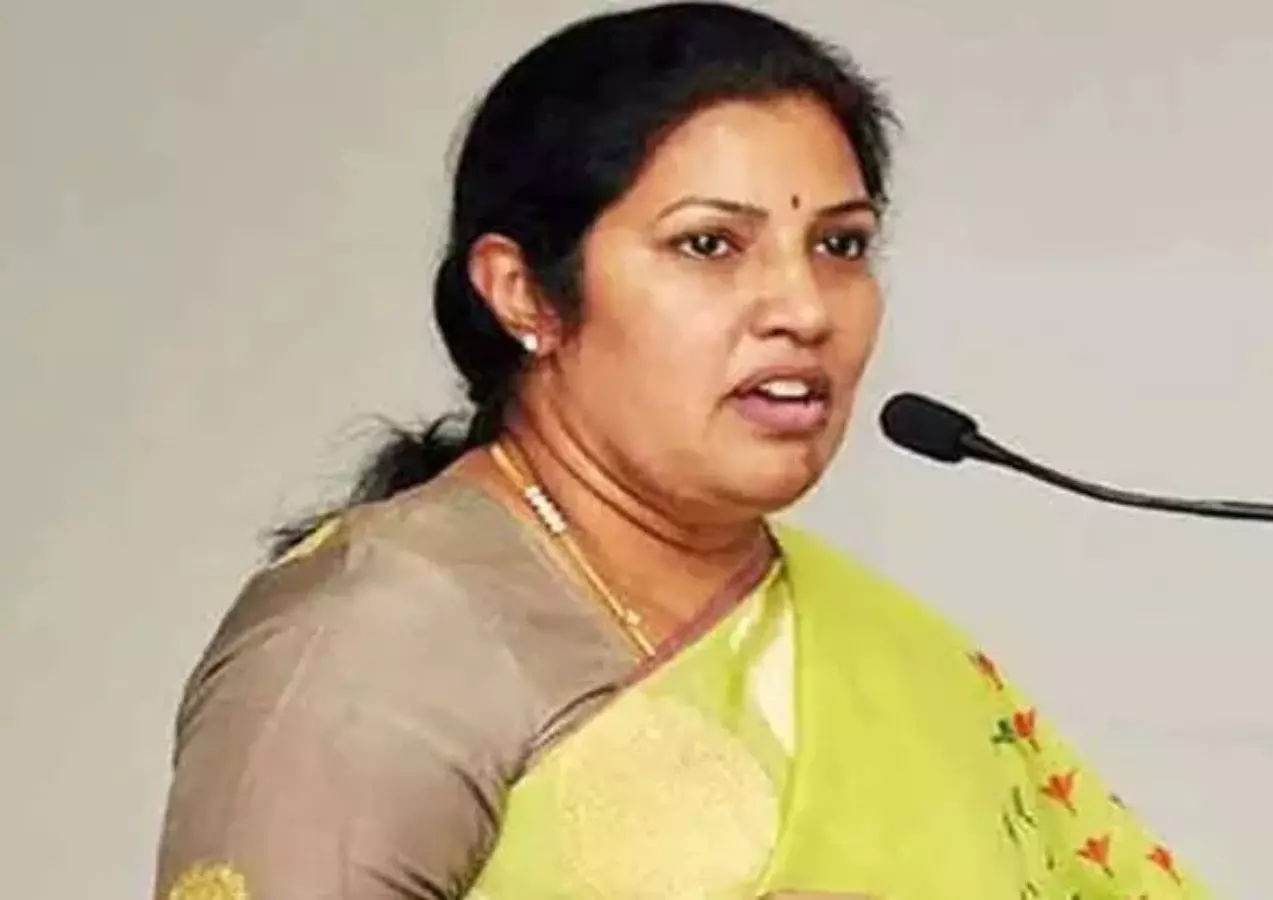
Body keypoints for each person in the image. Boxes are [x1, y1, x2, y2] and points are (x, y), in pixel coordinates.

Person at [153, 3, 1209, 898]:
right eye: (709, 245)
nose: (804, 308)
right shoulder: (378, 637)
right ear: (524, 294)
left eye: (840, 245)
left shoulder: (895, 655)